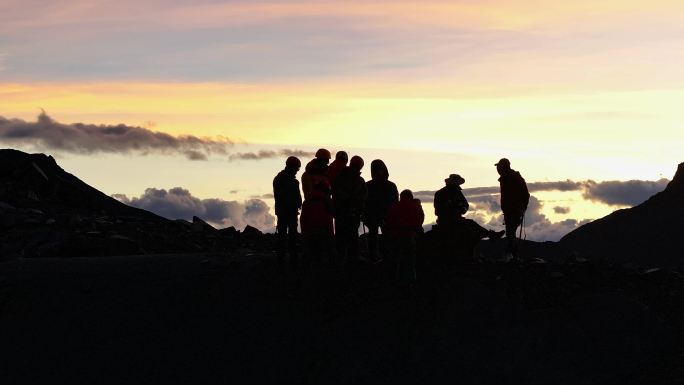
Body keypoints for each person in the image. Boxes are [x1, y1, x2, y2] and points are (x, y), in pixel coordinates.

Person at [433, 174, 504, 257]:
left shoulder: (448, 193)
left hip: (452, 219)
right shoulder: (444, 193)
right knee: (471, 225)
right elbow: (440, 210)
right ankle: (490, 235)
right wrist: (455, 210)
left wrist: (460, 209)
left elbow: (465, 206)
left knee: (471, 224)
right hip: (447, 221)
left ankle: (490, 235)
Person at [385, 189, 424, 296]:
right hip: (409, 236)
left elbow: (389, 220)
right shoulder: (415, 206)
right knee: (409, 260)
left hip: (396, 236)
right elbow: (420, 220)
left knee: (396, 259)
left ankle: (395, 281)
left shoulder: (394, 207)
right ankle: (409, 282)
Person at [300, 149, 335, 266]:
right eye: (326, 161)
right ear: (320, 160)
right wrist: (323, 194)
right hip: (313, 209)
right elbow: (308, 194)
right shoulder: (307, 175)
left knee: (327, 239)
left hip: (325, 210)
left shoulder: (325, 175)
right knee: (313, 238)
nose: (327, 163)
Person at [332, 155, 367, 262]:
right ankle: (351, 260)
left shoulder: (340, 177)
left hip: (343, 213)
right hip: (350, 213)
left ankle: (343, 260)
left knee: (342, 238)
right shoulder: (359, 180)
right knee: (351, 238)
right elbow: (363, 197)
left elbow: (336, 193)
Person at [364, 159, 398, 263]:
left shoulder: (368, 185)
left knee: (382, 237)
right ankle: (377, 257)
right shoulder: (390, 186)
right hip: (374, 216)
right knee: (376, 236)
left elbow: (395, 202)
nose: (379, 172)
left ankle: (383, 257)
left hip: (382, 216)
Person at [495, 158, 530, 260]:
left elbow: (525, 194)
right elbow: (525, 194)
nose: (497, 169)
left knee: (510, 233)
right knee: (511, 233)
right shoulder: (511, 177)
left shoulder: (511, 178)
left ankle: (511, 256)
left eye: (499, 167)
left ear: (503, 167)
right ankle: (514, 256)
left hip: (514, 210)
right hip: (512, 210)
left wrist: (522, 207)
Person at [273, 156, 302, 271]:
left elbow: (296, 196)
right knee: (285, 236)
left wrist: (297, 204)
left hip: (289, 211)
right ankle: (284, 259)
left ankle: (288, 259)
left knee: (289, 235)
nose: (297, 171)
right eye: (296, 168)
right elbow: (281, 196)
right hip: (286, 211)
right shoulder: (282, 179)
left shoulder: (284, 179)